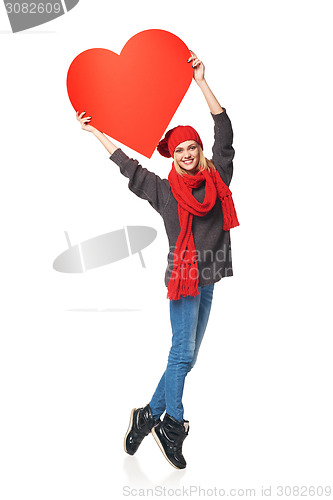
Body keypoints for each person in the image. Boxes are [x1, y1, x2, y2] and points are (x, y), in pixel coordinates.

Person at [76, 52, 239, 470]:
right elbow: (127, 167)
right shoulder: (163, 191)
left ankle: (147, 415)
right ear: (173, 155)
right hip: (184, 276)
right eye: (180, 149)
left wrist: (201, 81)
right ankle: (173, 424)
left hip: (210, 276)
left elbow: (225, 131)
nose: (186, 153)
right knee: (181, 355)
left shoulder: (219, 176)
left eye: (192, 147)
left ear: (200, 151)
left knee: (188, 357)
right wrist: (96, 131)